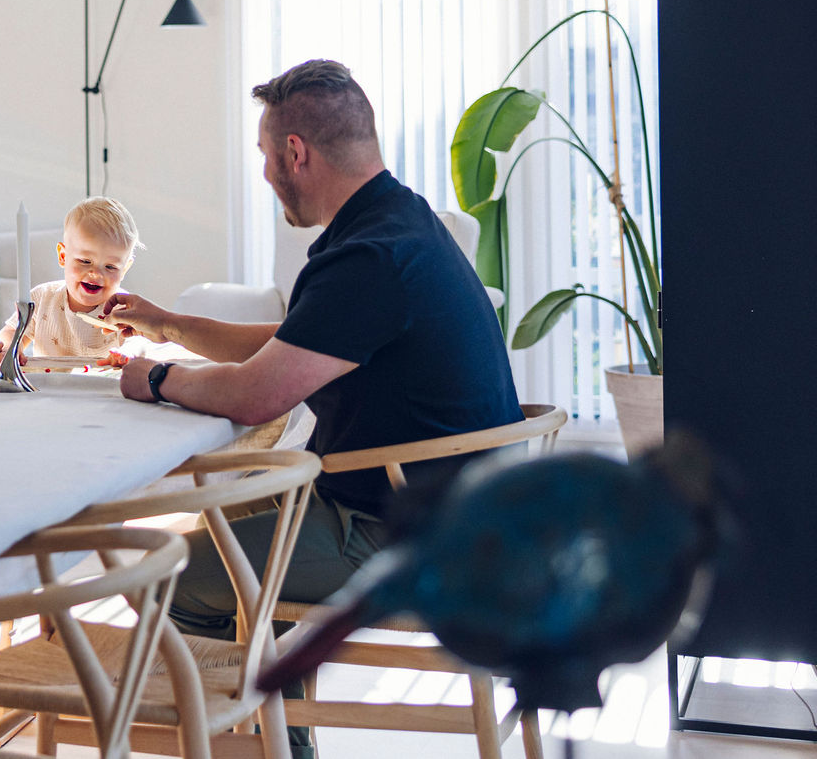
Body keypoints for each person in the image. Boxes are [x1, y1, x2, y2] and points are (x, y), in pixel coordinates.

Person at [103, 59, 522, 635]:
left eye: (264, 155)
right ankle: (266, 686)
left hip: (402, 532)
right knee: (226, 512)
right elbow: (295, 347)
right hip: (461, 512)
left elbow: (255, 397)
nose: (265, 174)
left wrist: (154, 379)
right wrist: (167, 324)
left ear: (294, 153)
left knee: (157, 574)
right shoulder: (402, 220)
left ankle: (253, 690)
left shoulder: (368, 258)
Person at [5, 196, 141, 364]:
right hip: (48, 380)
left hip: (101, 380)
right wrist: (10, 348)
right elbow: (11, 331)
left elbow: (139, 342)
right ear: (63, 256)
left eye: (110, 267)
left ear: (124, 269)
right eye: (85, 261)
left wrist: (127, 353)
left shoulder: (122, 308)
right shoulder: (42, 298)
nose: (96, 274)